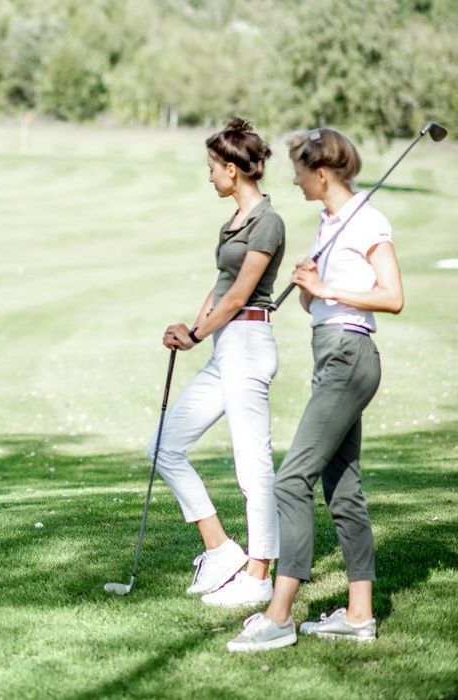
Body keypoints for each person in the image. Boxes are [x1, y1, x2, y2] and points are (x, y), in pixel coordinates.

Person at [228, 127, 403, 652]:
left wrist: (326, 287)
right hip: (332, 353)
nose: (295, 180)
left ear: (321, 173)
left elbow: (392, 296)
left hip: (350, 356)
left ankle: (279, 615)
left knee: (290, 480)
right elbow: (322, 306)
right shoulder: (329, 224)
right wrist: (310, 290)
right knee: (342, 490)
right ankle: (358, 615)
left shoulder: (367, 220)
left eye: (300, 171)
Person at [153, 118, 285, 607]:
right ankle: (221, 549)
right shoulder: (233, 222)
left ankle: (260, 574)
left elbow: (241, 296)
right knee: (163, 446)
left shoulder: (267, 221)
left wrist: (195, 333)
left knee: (253, 467)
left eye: (212, 168)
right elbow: (221, 287)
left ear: (232, 169)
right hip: (225, 345)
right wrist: (193, 326)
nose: (209, 176)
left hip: (248, 343)